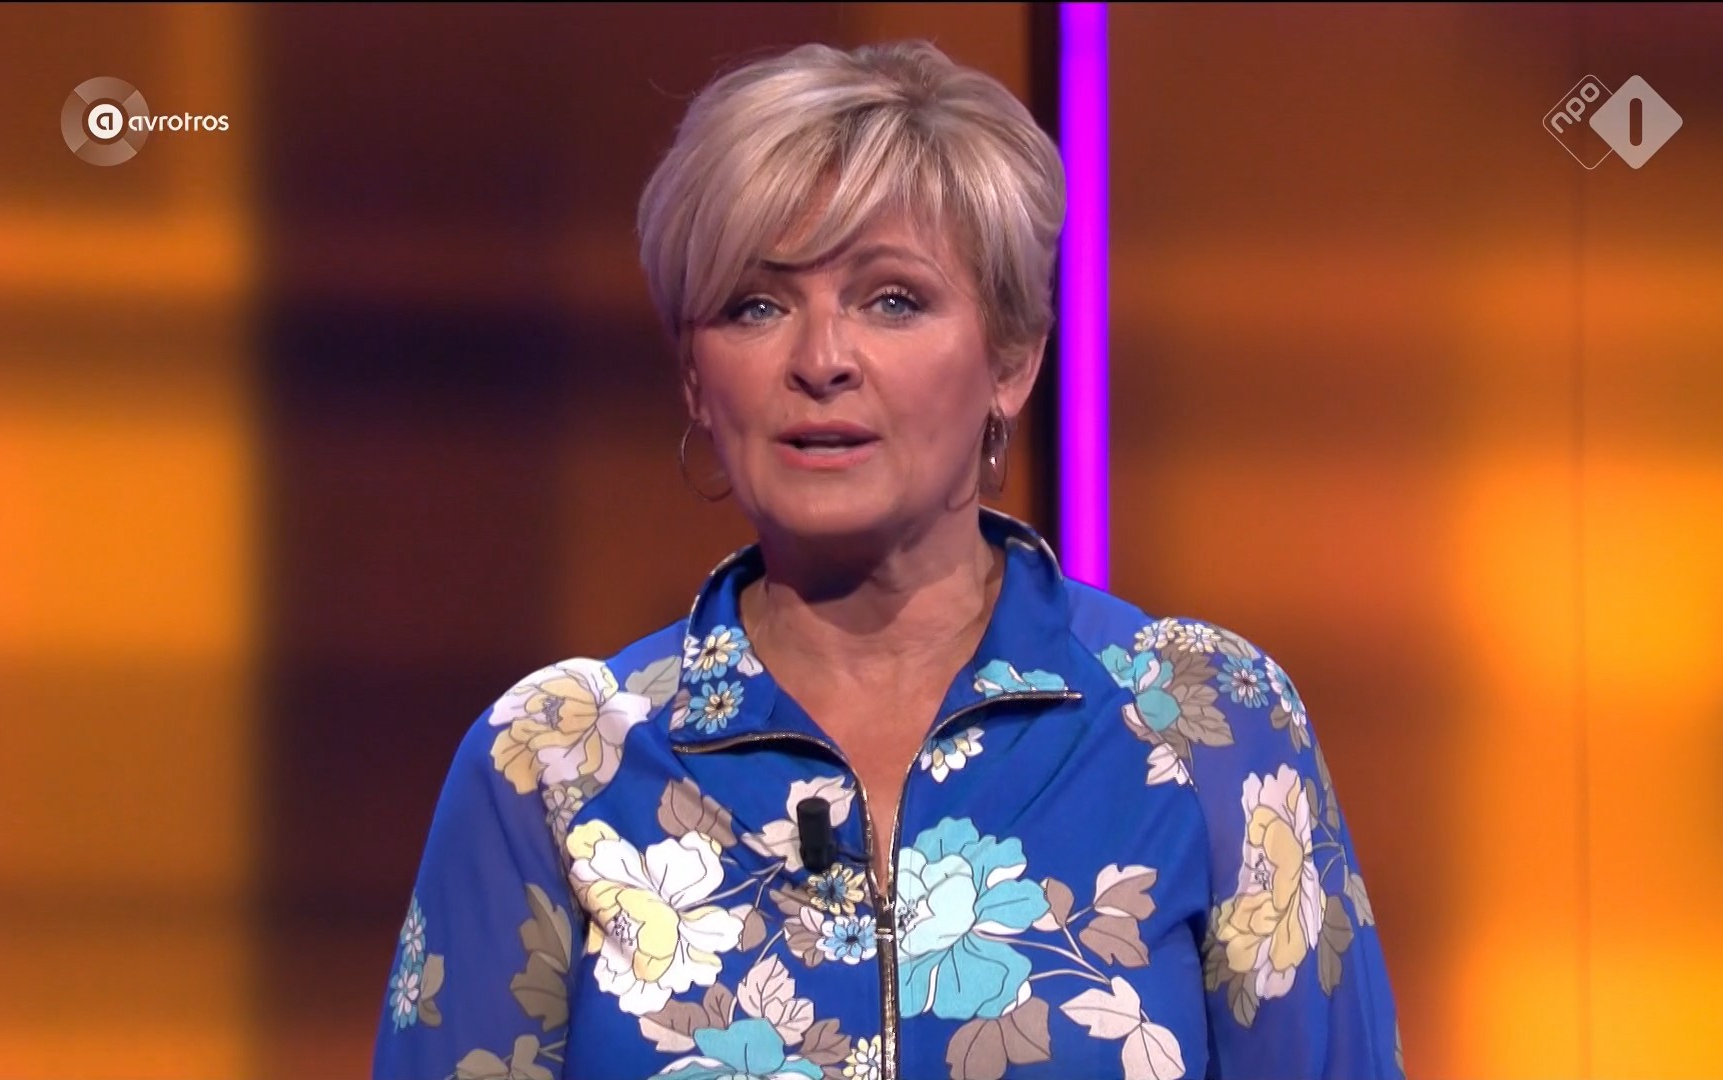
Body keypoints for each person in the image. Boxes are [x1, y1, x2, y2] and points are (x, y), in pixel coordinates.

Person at [371, 39, 1401, 1080]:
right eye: (755, 306)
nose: (821, 360)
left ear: (1012, 360)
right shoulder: (554, 762)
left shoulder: (1206, 721)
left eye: (893, 300)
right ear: (694, 376)